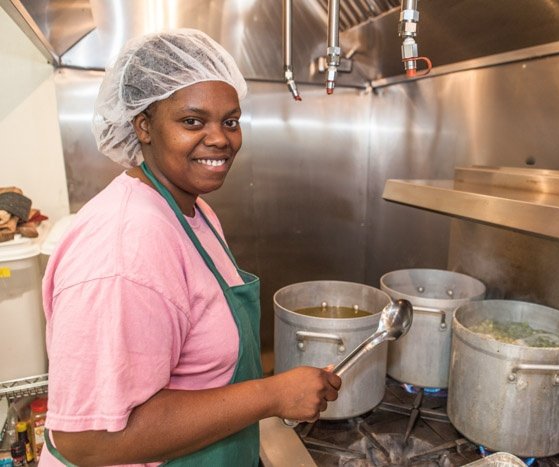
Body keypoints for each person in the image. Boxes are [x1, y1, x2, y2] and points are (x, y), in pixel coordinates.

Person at [41, 28, 341, 466]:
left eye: (231, 121)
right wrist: (273, 394)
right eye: (192, 121)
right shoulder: (124, 248)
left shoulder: (191, 209)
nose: (220, 138)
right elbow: (87, 439)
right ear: (143, 126)